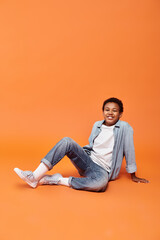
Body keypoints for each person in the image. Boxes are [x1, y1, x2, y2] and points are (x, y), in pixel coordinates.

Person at [14, 97, 149, 192]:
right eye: (107, 109)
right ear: (103, 112)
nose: (110, 113)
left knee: (101, 185)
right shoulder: (97, 125)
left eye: (114, 110)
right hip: (88, 161)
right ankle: (34, 176)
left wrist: (133, 174)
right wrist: (83, 156)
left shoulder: (125, 128)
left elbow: (129, 150)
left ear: (120, 114)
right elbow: (92, 145)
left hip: (102, 170)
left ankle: (57, 180)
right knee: (67, 140)